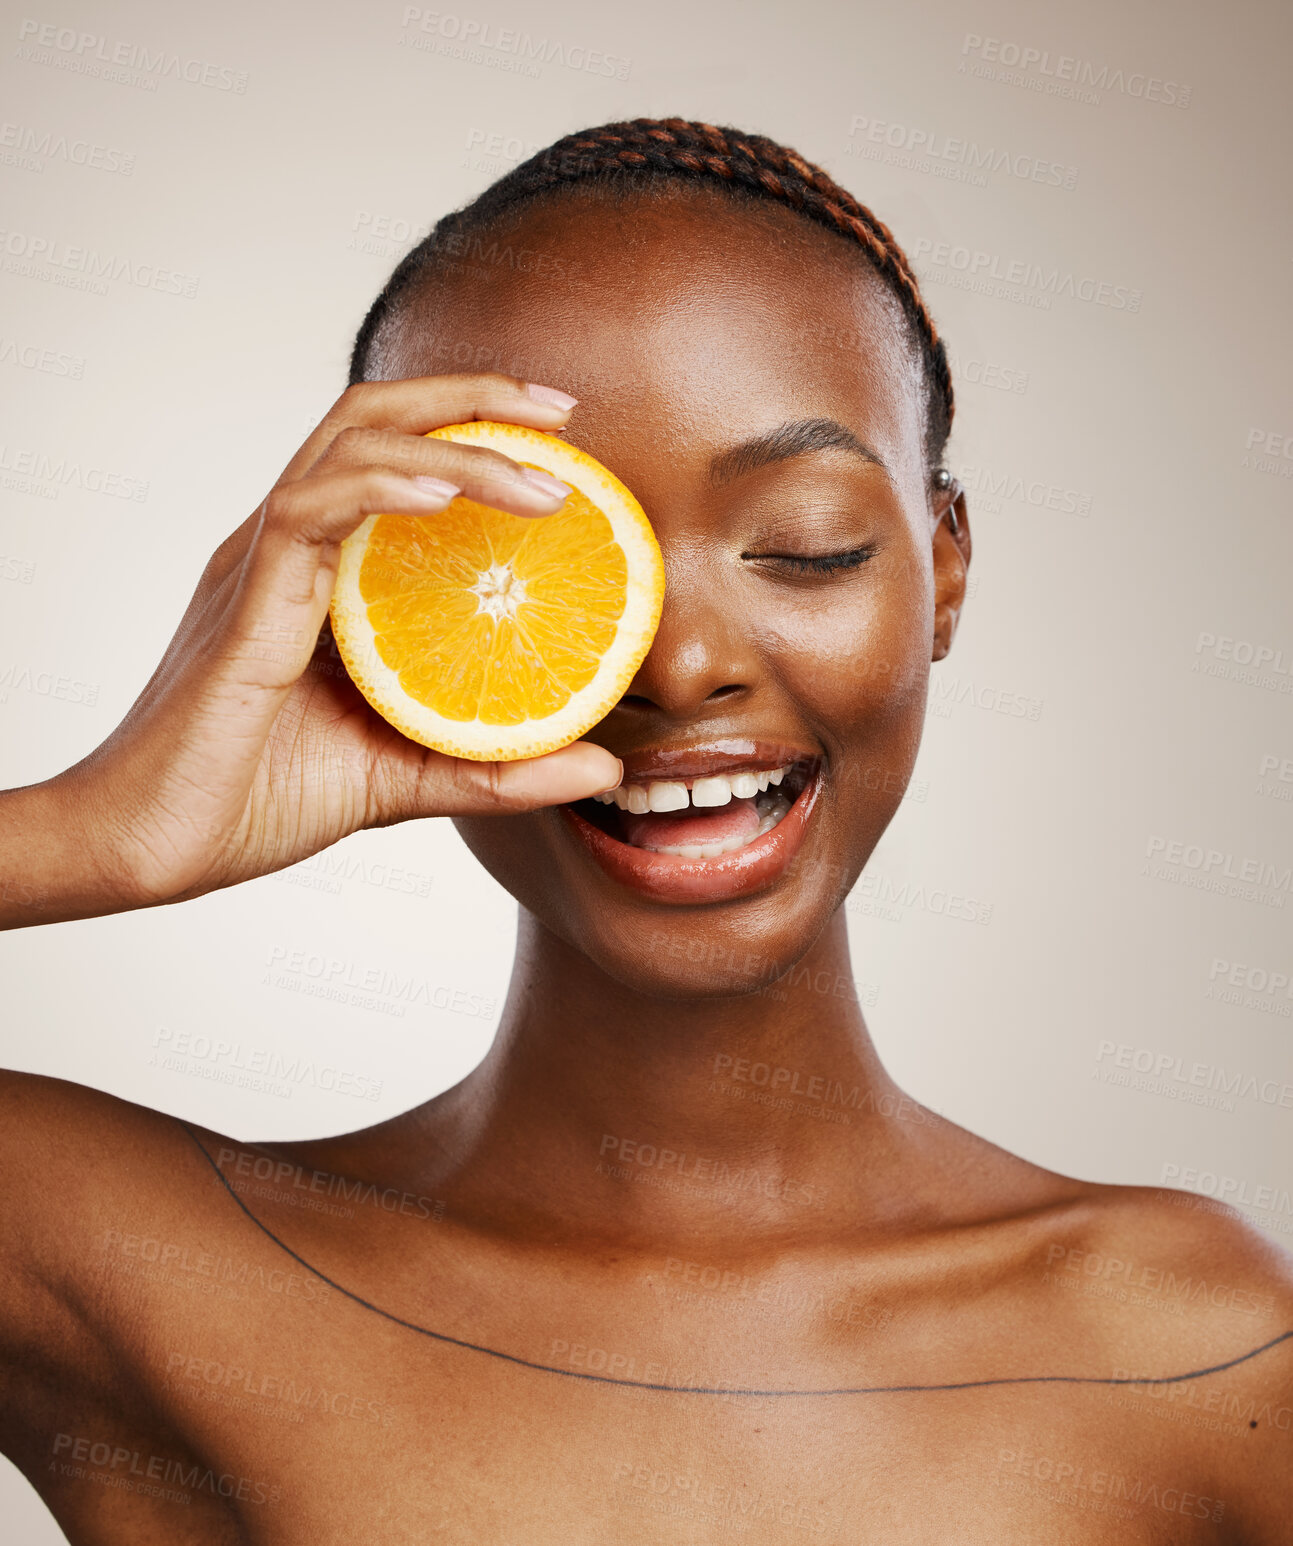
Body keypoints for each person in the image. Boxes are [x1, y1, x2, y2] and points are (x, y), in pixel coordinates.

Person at [0, 117, 1288, 1542]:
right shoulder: (158, 1272)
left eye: (805, 544)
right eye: (526, 561)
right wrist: (90, 832)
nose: (676, 667)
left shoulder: (1193, 1346)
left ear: (942, 571)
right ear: (381, 616)